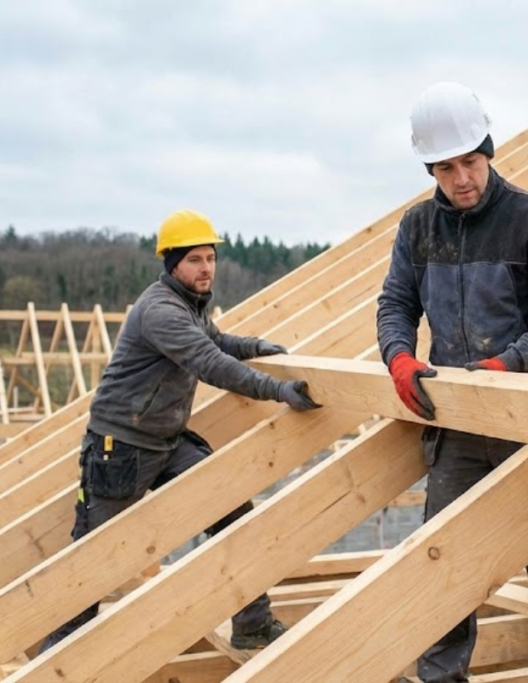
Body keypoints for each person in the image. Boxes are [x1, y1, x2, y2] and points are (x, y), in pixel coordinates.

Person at [377, 82, 528, 683]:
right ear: (431, 167)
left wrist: (508, 365)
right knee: (447, 556)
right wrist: (398, 356)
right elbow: (395, 302)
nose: (461, 177)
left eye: (470, 161)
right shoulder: (418, 228)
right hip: (461, 423)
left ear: (488, 151)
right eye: (446, 167)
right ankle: (442, 677)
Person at [41, 209, 321, 652]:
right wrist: (278, 389)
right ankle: (57, 659)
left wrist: (254, 347)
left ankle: (253, 624)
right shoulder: (160, 310)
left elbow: (218, 342)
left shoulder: (189, 304)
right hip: (121, 448)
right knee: (95, 559)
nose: (206, 267)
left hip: (167, 443)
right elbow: (209, 363)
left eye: (210, 257)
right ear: (172, 264)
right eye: (194, 259)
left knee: (234, 515)